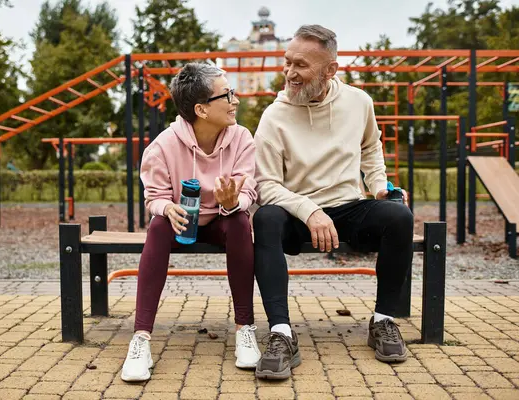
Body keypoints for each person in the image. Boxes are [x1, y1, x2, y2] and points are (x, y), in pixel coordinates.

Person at [252, 25, 414, 380]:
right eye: (287, 62)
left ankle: (384, 320)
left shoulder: (359, 102)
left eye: (301, 66)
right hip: (295, 212)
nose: (290, 73)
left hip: (348, 205)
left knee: (400, 216)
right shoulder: (273, 116)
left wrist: (379, 187)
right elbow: (266, 185)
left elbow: (371, 146)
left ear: (330, 70)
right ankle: (280, 333)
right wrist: (310, 211)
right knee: (264, 219)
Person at [120, 63, 261, 382]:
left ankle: (245, 329)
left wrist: (233, 202)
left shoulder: (241, 137)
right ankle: (140, 339)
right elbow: (153, 197)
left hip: (223, 221)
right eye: (227, 94)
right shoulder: (163, 146)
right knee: (156, 227)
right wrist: (167, 208)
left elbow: (249, 187)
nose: (235, 100)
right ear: (201, 109)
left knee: (241, 222)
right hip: (182, 221)